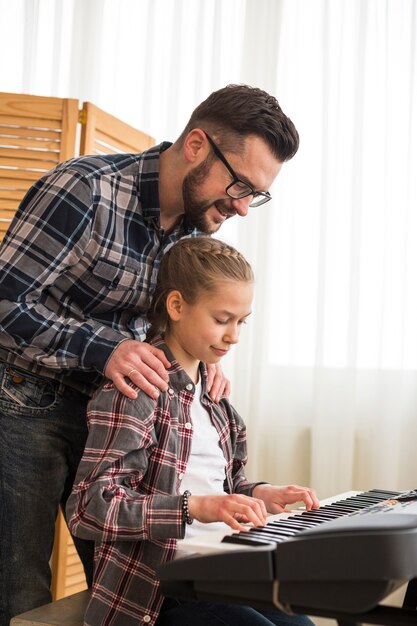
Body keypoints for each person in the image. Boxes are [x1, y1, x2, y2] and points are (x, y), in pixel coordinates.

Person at [0, 84, 300, 625]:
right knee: (21, 588)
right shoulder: (85, 192)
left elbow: (173, 319)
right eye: (239, 185)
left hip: (120, 407)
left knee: (126, 575)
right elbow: (5, 301)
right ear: (195, 146)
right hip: (25, 403)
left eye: (257, 194)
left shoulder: (193, 230)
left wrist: (207, 356)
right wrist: (107, 347)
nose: (242, 207)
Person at [66, 237, 319, 626]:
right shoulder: (137, 392)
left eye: (241, 321)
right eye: (222, 320)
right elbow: (89, 508)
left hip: (222, 569)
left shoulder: (215, 396)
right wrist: (193, 507)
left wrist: (260, 495)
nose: (234, 335)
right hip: (160, 590)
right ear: (177, 306)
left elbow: (224, 486)